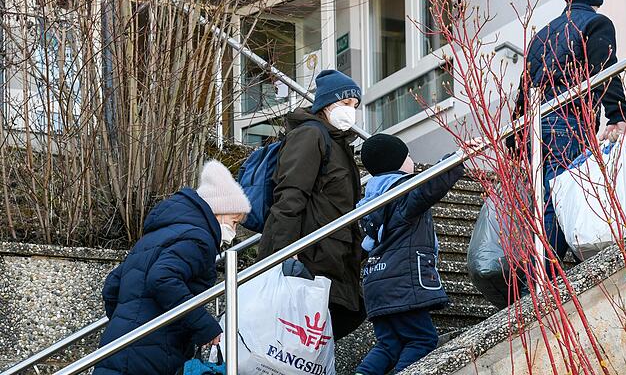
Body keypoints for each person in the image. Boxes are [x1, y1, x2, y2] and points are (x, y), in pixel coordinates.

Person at [515, 0, 626, 268]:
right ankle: (541, 281)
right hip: (567, 123)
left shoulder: (541, 34)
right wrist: (616, 114)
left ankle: (538, 276)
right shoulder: (597, 24)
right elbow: (604, 69)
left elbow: (524, 87)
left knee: (543, 202)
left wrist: (516, 140)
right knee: (560, 199)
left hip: (535, 128)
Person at [94, 160, 252, 375]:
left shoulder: (158, 235)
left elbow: (113, 284)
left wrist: (128, 322)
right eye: (234, 222)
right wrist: (205, 326)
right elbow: (162, 279)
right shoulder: (199, 239)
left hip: (119, 346)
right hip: (153, 351)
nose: (233, 231)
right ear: (218, 211)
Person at [257, 69, 365, 340]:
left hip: (333, 255)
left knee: (318, 338)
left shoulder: (337, 142)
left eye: (354, 105)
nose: (351, 111)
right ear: (326, 105)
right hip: (311, 256)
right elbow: (290, 197)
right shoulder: (310, 135)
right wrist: (282, 253)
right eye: (344, 104)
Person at [354, 134, 465, 375]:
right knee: (422, 340)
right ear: (397, 163)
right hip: (403, 282)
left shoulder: (370, 198)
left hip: (377, 283)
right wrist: (456, 159)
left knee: (389, 344)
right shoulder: (402, 191)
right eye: (408, 157)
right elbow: (429, 189)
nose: (412, 161)